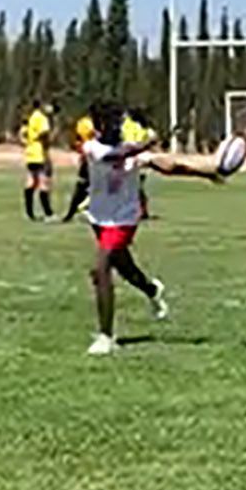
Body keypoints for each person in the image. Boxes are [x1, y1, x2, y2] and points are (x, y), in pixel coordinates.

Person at [80, 102, 225, 356]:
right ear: (100, 126)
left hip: (124, 219)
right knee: (124, 267)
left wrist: (206, 172)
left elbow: (169, 166)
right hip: (99, 217)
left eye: (118, 122)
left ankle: (106, 336)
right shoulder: (93, 147)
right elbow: (115, 157)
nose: (117, 127)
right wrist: (147, 144)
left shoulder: (132, 150)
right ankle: (151, 289)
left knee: (100, 268)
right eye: (111, 122)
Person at [59, 106, 99, 224]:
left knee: (82, 187)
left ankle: (71, 213)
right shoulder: (98, 124)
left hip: (87, 157)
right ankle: (83, 209)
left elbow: (77, 139)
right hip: (96, 159)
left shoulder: (82, 123)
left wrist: (79, 150)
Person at [20, 99, 55, 221]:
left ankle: (29, 212)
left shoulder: (30, 117)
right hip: (40, 152)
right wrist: (46, 148)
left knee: (31, 181)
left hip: (30, 152)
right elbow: (44, 133)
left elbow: (22, 134)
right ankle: (48, 213)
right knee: (44, 182)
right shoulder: (41, 118)